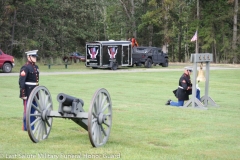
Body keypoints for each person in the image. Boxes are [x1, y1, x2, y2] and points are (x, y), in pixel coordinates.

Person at [19, 50, 39, 131]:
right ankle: (27, 127)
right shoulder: (25, 67)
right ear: (28, 57)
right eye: (33, 57)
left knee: (34, 111)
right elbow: (21, 82)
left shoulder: (36, 67)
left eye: (35, 57)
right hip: (28, 92)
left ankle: (31, 126)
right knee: (27, 111)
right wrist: (23, 94)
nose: (35, 58)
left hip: (35, 92)